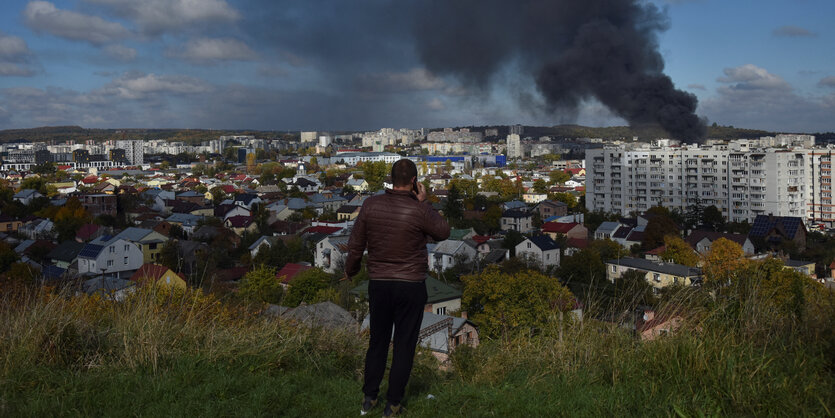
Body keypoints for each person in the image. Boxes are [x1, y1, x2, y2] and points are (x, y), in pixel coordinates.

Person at [345, 159, 450, 417]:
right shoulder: (419, 209)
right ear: (414, 182)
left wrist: (351, 270)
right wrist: (424, 201)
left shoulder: (371, 205)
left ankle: (369, 398)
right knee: (404, 344)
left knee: (378, 341)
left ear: (391, 179)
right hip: (411, 286)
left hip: (380, 283)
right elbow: (443, 231)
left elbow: (356, 243)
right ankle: (392, 405)